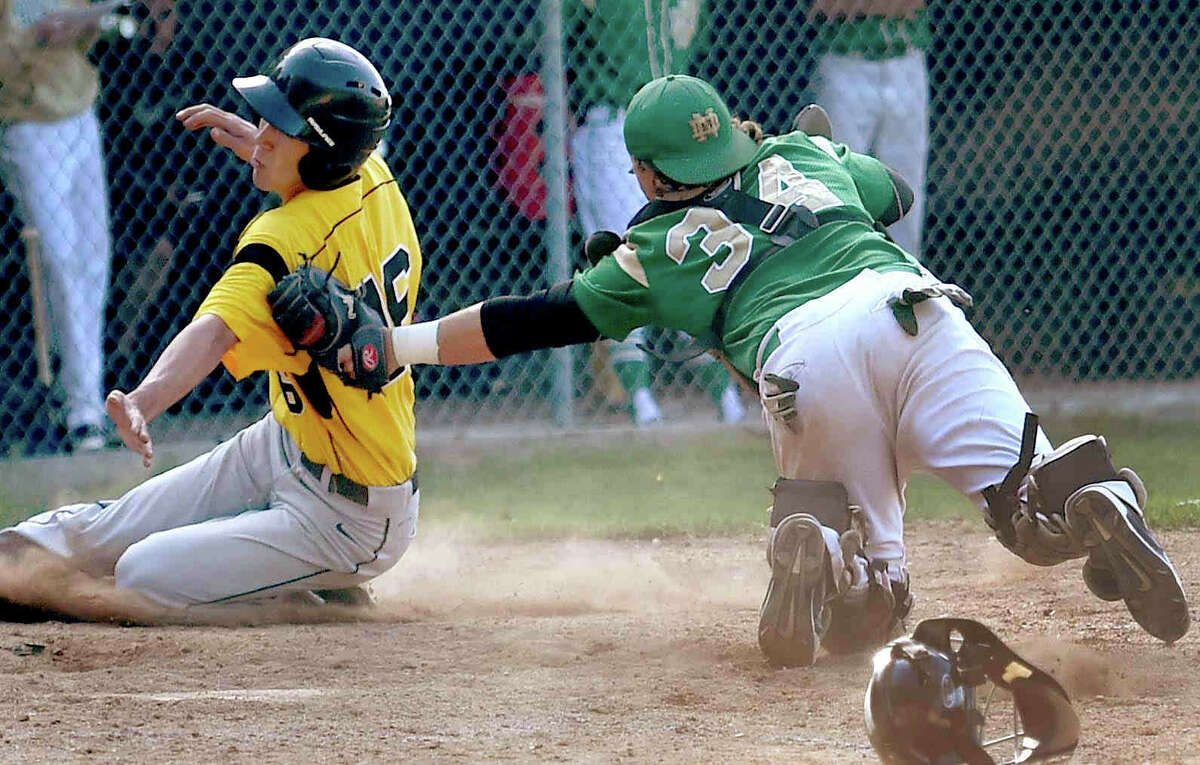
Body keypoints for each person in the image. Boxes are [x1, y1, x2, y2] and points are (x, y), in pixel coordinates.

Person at [377, 74, 1189, 665]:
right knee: (1029, 516)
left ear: (651, 176)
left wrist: (399, 345)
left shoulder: (652, 250)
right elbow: (896, 193)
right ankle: (1092, 494)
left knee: (868, 614)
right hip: (913, 305)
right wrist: (814, 150)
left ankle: (824, 542)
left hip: (804, 356)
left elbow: (527, 320)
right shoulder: (801, 152)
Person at [0, 38, 423, 615]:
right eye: (264, 117)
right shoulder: (376, 179)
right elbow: (331, 168)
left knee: (142, 573)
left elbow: (213, 330)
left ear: (322, 153)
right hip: (283, 444)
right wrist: (265, 147)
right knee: (105, 532)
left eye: (281, 125)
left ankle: (315, 591)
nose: (262, 130)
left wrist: (145, 400)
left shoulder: (284, 237)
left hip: (348, 514)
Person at [566, 0, 745, 425]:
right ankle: (638, 395)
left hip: (675, 132)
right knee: (626, 258)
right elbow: (557, 33)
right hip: (613, 127)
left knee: (691, 249)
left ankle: (724, 395)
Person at [0, 0, 119, 450]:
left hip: (78, 113)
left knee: (94, 257)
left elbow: (95, 28)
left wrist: (78, 28)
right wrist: (36, 37)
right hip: (29, 122)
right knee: (59, 259)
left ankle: (86, 399)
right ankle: (78, 407)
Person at [807, 0, 931, 256]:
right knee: (838, 179)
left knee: (906, 184)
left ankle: (906, 279)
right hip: (846, 61)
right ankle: (841, 268)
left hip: (906, 60)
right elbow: (827, 6)